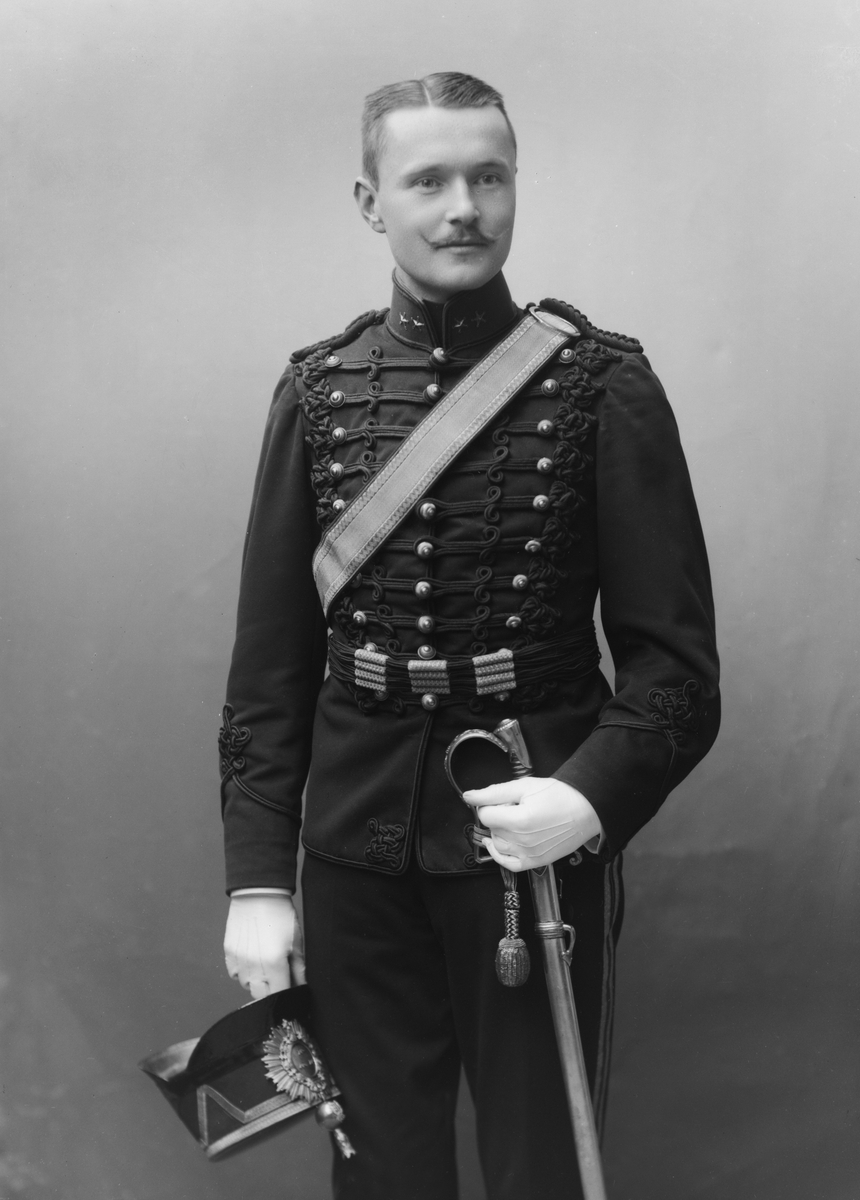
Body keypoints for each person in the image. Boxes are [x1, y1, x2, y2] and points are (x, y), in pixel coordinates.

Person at [220, 72, 719, 1199]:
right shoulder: (318, 390)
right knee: (378, 1171)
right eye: (429, 181)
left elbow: (676, 669)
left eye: (488, 178)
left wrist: (587, 799)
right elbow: (269, 669)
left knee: (541, 1167)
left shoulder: (600, 384)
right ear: (370, 202)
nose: (463, 209)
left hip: (533, 839)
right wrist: (257, 883)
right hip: (351, 849)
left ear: (514, 187)